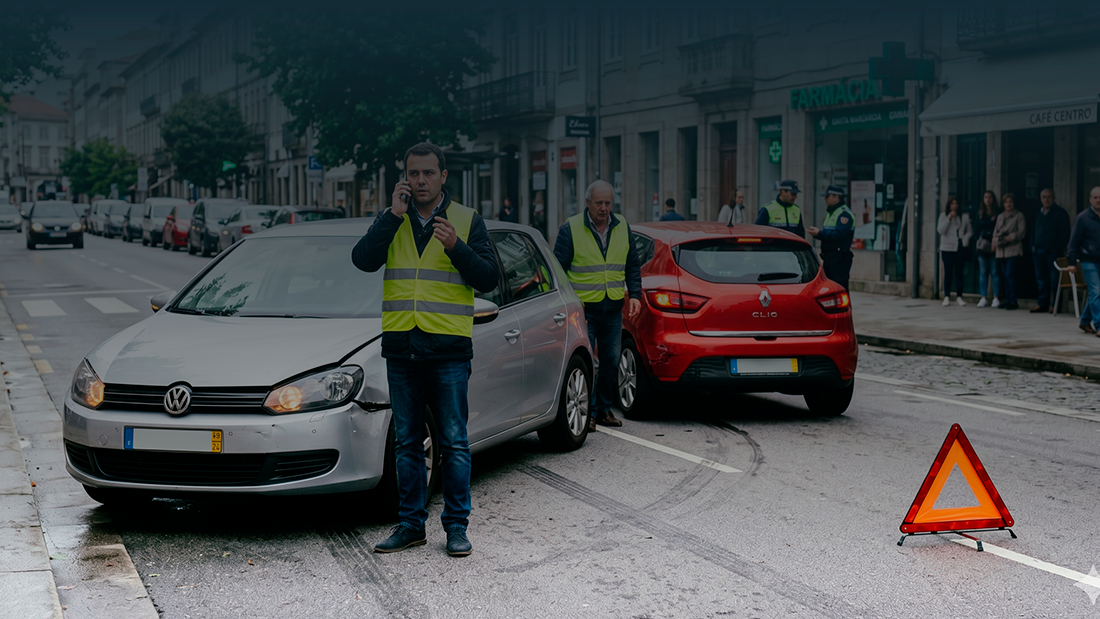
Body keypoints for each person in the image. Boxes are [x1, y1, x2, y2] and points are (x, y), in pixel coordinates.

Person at [352, 142, 499, 557]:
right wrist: (389, 217)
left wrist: (457, 247)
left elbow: (488, 278)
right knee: (407, 442)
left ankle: (456, 527)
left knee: (453, 441)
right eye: (413, 174)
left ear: (443, 177)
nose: (420, 181)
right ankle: (411, 525)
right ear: (404, 177)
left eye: (428, 173)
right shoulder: (393, 220)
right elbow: (362, 260)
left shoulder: (466, 221)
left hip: (448, 349)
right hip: (402, 347)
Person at [554, 180, 642, 430]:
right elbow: (559, 270)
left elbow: (632, 265)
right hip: (583, 310)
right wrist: (569, 303)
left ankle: (603, 410)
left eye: (607, 203)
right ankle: (589, 413)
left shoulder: (622, 225)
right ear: (587, 203)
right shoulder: (570, 228)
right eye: (599, 203)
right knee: (587, 363)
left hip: (613, 307)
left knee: (611, 361)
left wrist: (635, 294)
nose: (604, 208)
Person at [1030, 188, 1071, 313]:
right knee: (1041, 279)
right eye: (1044, 197)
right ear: (1040, 199)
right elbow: (1033, 231)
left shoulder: (1061, 213)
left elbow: (1065, 233)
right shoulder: (1038, 213)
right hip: (1038, 251)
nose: (1046, 199)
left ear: (1054, 198)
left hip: (1053, 252)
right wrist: (1032, 246)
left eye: (1049, 197)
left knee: (1055, 279)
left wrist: (1056, 248)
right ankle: (1042, 303)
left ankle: (1056, 305)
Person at [807, 185, 854, 291]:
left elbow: (839, 236)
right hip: (830, 259)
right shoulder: (831, 213)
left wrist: (819, 233)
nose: (825, 199)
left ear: (836, 197)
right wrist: (819, 234)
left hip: (839, 260)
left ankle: (845, 309)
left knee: (839, 290)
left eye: (827, 196)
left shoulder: (844, 214)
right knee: (830, 291)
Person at [1067, 187, 1100, 336]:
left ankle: (1085, 320)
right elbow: (1074, 242)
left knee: (1096, 294)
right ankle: (1099, 326)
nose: (1098, 200)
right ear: (1090, 199)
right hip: (1088, 260)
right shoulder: (1083, 217)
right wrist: (1071, 262)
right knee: (1096, 291)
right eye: (1095, 197)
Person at [936, 195, 973, 306]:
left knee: (959, 272)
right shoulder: (943, 215)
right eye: (952, 203)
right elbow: (940, 230)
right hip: (946, 247)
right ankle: (946, 296)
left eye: (956, 203)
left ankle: (959, 296)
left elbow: (970, 231)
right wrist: (949, 218)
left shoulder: (964, 216)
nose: (954, 206)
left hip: (959, 247)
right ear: (949, 205)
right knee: (948, 272)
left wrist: (964, 240)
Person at [992, 192, 1026, 310]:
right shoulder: (1000, 216)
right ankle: (1007, 300)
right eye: (1006, 202)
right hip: (1001, 250)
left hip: (1013, 249)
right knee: (1004, 276)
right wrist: (994, 242)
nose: (1008, 204)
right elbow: (995, 231)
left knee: (1010, 274)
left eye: (1010, 202)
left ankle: (1013, 300)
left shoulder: (1019, 216)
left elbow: (1022, 232)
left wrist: (1009, 238)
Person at [975, 190, 1001, 308]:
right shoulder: (980, 213)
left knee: (995, 272)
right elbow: (976, 228)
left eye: (990, 197)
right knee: (983, 272)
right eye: (985, 197)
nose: (988, 200)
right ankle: (983, 297)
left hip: (995, 245)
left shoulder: (998, 213)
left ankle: (996, 297)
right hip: (982, 247)